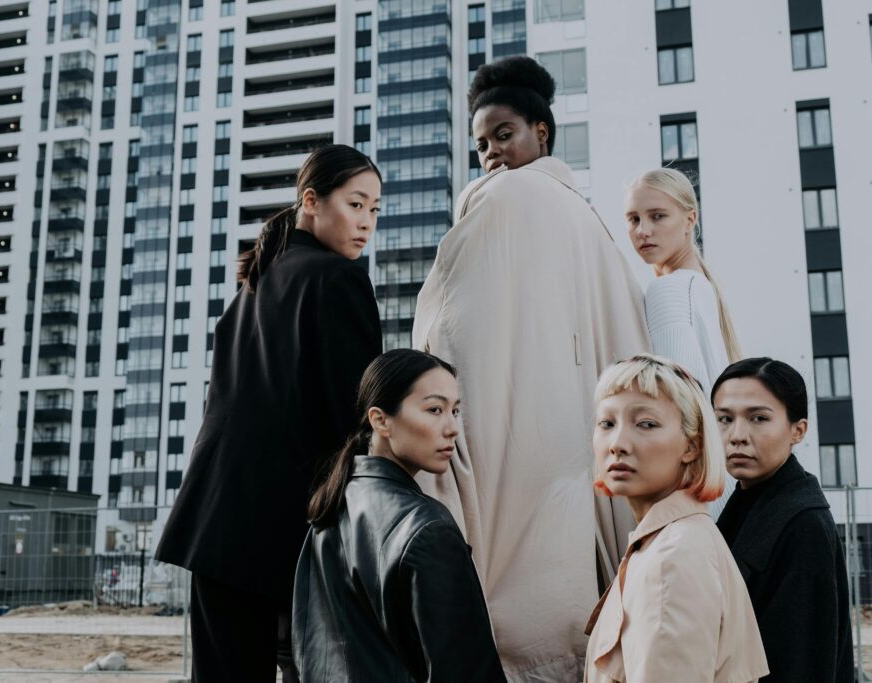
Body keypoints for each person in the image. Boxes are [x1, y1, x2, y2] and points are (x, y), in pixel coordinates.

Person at [412, 56, 650, 681]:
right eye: (481, 144)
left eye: (503, 134)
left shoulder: (501, 199)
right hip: (588, 445)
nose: (490, 153)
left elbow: (449, 325)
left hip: (520, 438)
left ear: (541, 131)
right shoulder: (592, 222)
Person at [154, 145, 383, 682]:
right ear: (312, 201)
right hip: (281, 530)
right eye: (356, 204)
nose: (367, 223)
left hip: (213, 524)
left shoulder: (254, 285)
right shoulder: (337, 279)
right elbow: (355, 419)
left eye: (375, 210)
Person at [293, 349, 506, 682]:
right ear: (380, 420)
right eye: (435, 409)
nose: (452, 428)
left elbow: (311, 650)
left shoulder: (333, 507)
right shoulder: (427, 528)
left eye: (455, 410)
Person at [584, 354, 768, 682]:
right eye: (607, 424)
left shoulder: (672, 556)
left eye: (646, 424)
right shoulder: (668, 541)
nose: (617, 444)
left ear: (692, 446)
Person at [712, 358, 855, 682]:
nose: (737, 436)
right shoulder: (747, 502)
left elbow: (801, 665)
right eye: (724, 419)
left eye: (758, 418)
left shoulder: (802, 525)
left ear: (798, 430)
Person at [625, 167, 743, 517]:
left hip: (691, 500)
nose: (643, 231)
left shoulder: (669, 290)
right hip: (719, 493)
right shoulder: (701, 287)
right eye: (633, 219)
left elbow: (675, 415)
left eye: (658, 216)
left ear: (690, 219)